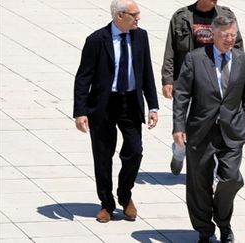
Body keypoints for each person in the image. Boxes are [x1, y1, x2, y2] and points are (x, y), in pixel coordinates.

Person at [73, 0, 159, 223]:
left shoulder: (141, 36)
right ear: (119, 16)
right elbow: (83, 78)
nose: (138, 18)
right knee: (102, 156)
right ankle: (106, 204)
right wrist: (80, 112)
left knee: (134, 151)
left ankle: (125, 195)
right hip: (103, 104)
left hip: (130, 102)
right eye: (134, 14)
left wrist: (153, 105)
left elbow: (146, 71)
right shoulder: (96, 40)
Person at [173, 15, 245, 243]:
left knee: (231, 179)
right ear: (213, 35)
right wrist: (178, 126)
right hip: (201, 131)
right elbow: (181, 95)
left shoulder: (244, 60)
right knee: (199, 183)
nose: (230, 39)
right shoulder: (195, 59)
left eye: (233, 34)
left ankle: (223, 222)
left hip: (231, 132)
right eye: (225, 35)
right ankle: (204, 230)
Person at [162, 0, 244, 176]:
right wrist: (167, 79)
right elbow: (171, 49)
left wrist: (239, 76)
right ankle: (179, 150)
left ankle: (211, 167)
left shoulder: (226, 15)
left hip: (215, 76)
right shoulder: (181, 16)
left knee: (211, 123)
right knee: (183, 120)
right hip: (187, 75)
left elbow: (237, 45)